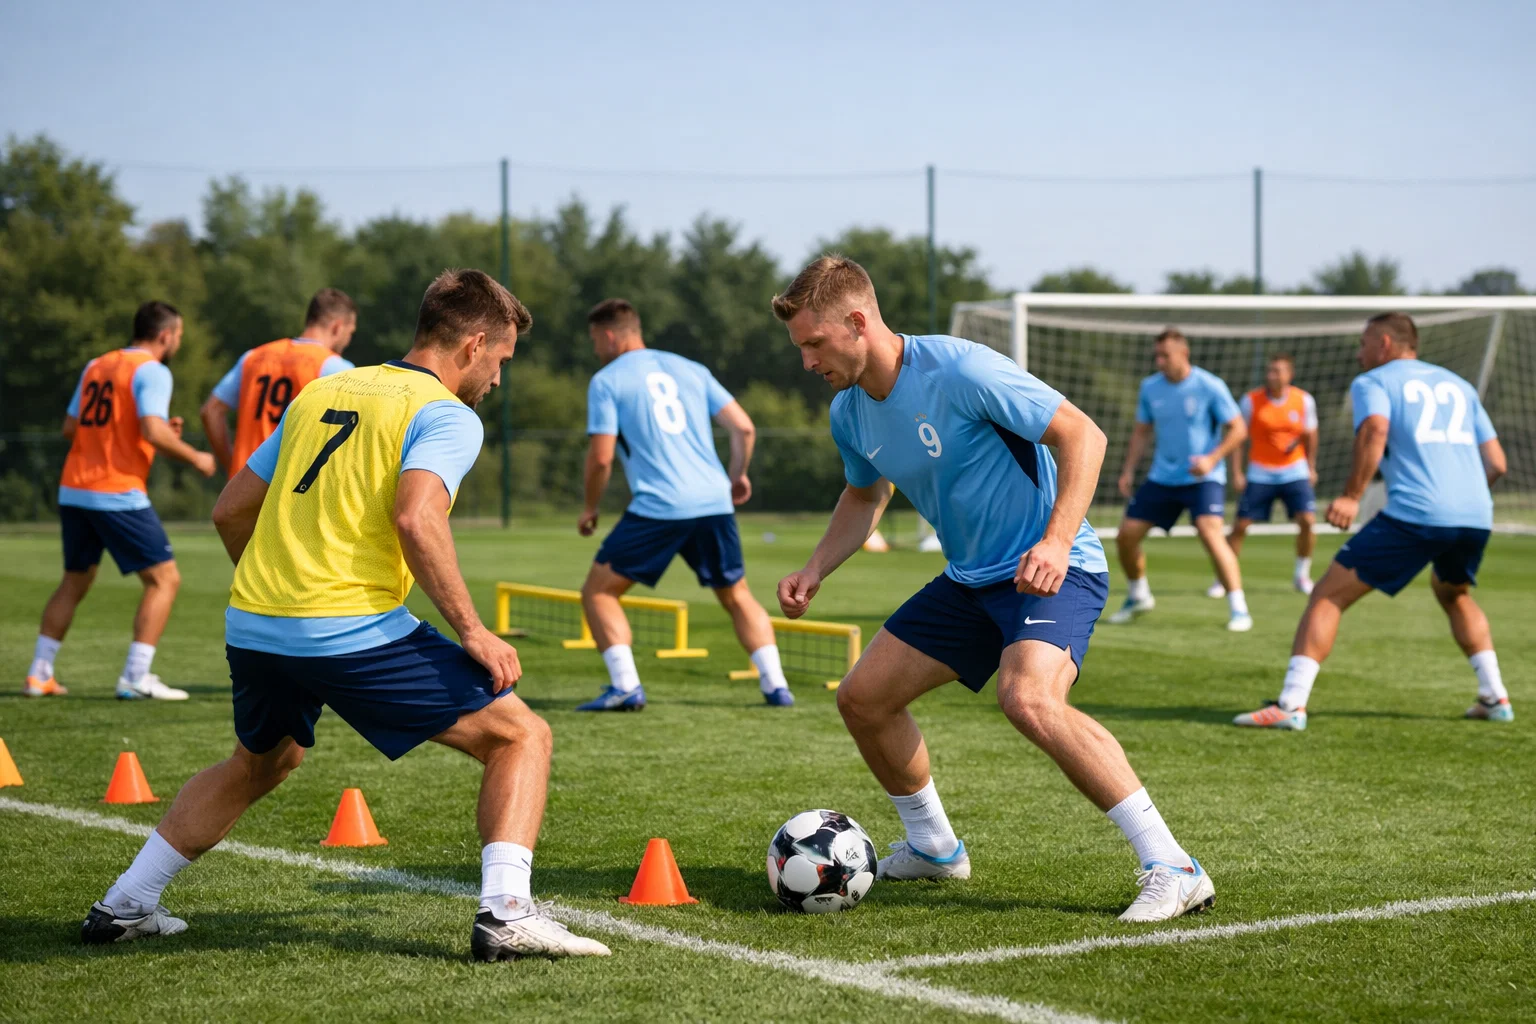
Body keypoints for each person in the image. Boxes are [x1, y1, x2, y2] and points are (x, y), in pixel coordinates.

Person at [80, 269, 610, 960]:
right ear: (475, 344)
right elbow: (418, 518)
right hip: (345, 627)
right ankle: (507, 913)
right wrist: (474, 631)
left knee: (261, 761)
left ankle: (124, 905)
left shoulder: (322, 391)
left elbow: (231, 508)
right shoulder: (446, 414)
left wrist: (279, 588)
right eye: (503, 361)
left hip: (254, 620)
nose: (499, 379)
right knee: (520, 736)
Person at [772, 256, 1214, 923]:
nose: (807, 362)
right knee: (863, 699)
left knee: (1028, 698)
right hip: (971, 581)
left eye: (813, 343)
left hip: (1055, 567)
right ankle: (935, 847)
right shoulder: (849, 412)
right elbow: (866, 496)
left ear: (857, 323)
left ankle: (1173, 866)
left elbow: (1082, 435)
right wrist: (814, 568)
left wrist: (1058, 541)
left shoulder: (960, 369)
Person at [1236, 313, 1510, 730]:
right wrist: (1461, 500)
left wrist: (1350, 496)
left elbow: (1375, 430)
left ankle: (1290, 706)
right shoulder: (1461, 385)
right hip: (1475, 514)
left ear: (1385, 343)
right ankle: (1495, 697)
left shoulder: (1375, 381)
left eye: (1364, 343)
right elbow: (1497, 463)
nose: (1359, 352)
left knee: (1328, 595)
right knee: (1454, 594)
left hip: (1417, 511)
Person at [576, 298, 792, 710]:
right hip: (713, 502)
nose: (595, 350)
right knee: (737, 594)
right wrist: (737, 476)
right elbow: (744, 428)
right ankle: (776, 686)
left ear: (608, 335)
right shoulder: (692, 369)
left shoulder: (606, 381)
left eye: (594, 341)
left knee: (599, 593)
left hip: (660, 506)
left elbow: (601, 458)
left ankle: (625, 686)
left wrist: (590, 508)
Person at [23, 301, 217, 700]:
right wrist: (195, 455)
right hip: (115, 491)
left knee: (75, 580)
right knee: (164, 579)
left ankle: (39, 675)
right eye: (178, 336)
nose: (178, 342)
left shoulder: (97, 365)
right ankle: (135, 676)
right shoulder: (153, 371)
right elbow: (152, 430)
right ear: (166, 335)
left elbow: (70, 428)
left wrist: (158, 430)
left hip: (74, 489)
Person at [1109, 329, 1251, 631]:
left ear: (1183, 354)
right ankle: (1139, 596)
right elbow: (1141, 431)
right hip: (1163, 477)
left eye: (1165, 356)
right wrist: (1128, 470)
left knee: (1209, 532)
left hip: (1204, 477)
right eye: (1156, 356)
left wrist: (1212, 458)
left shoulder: (1210, 385)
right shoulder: (1150, 388)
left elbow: (1238, 429)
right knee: (1126, 536)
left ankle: (1239, 608)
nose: (1159, 361)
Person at [200, 288, 358, 478]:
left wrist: (231, 463)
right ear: (338, 327)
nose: (348, 340)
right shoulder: (334, 367)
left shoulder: (253, 357)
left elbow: (211, 410)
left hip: (243, 484)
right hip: (288, 486)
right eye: (350, 333)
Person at [1208, 354, 1319, 598]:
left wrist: (1311, 467)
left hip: (1294, 470)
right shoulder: (1251, 401)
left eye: (1278, 371)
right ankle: (1223, 579)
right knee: (1240, 526)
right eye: (1269, 371)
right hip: (1260, 472)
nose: (1272, 376)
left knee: (1308, 521)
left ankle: (1302, 574)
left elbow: (1310, 436)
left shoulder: (1304, 400)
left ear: (1289, 375)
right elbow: (1238, 437)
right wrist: (1237, 472)